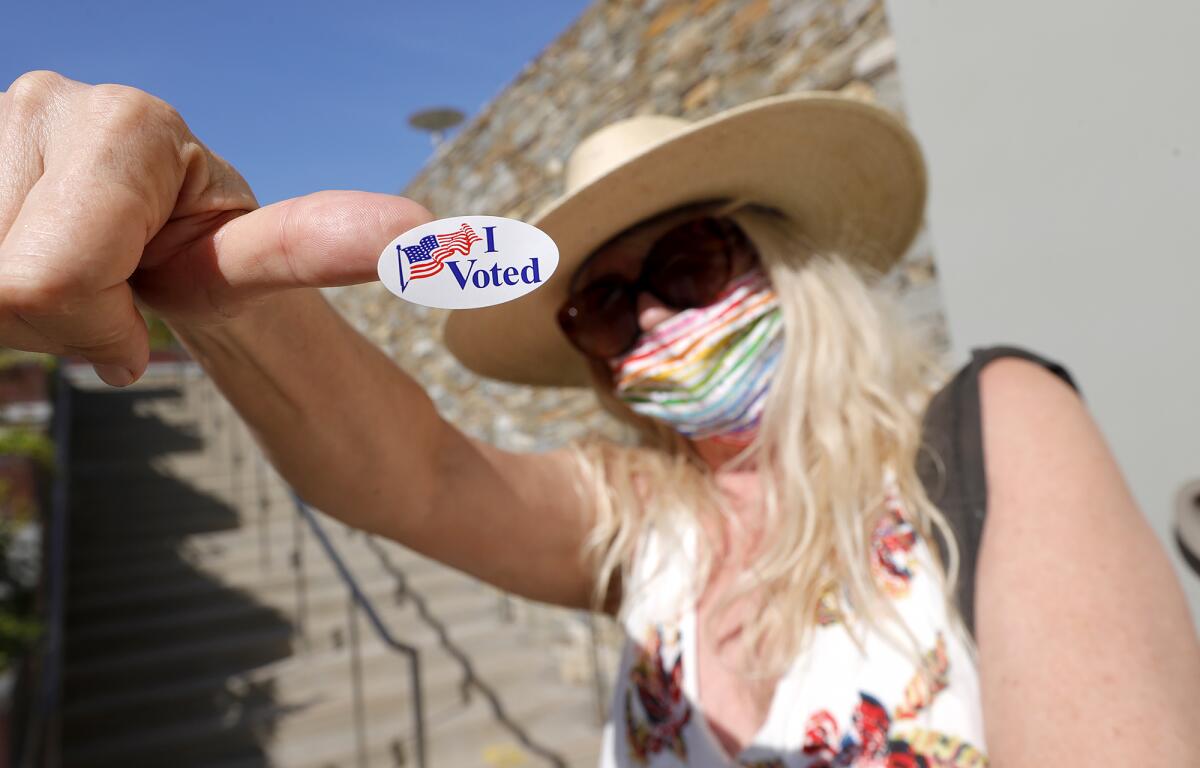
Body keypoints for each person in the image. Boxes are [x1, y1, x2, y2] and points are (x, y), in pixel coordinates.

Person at [0, 70, 1196, 765]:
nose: (650, 317)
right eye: (601, 303)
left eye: (688, 257)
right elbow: (412, 477)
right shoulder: (647, 521)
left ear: (785, 260)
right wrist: (219, 291)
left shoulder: (988, 425)